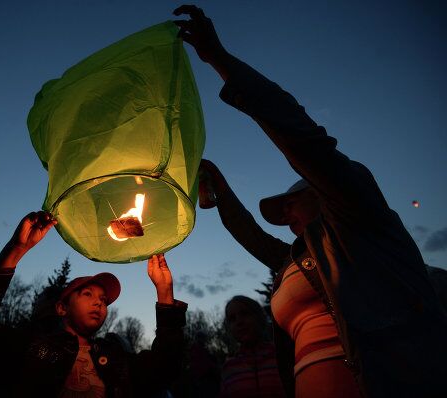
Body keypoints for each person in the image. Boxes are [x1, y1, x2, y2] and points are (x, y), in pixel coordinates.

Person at [173, 4, 447, 398]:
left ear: (323, 193)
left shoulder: (359, 220)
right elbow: (251, 234)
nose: (285, 216)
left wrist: (219, 59)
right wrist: (217, 181)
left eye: (291, 204)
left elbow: (301, 137)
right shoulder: (300, 258)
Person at [0, 211, 187, 397]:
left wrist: (164, 291)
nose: (98, 302)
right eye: (87, 294)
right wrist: (15, 250)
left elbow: (166, 367)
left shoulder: (118, 361)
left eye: (104, 300)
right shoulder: (31, 350)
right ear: (61, 308)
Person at [219, 296, 284, 398]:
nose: (239, 322)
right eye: (232, 319)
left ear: (259, 317)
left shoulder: (283, 356)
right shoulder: (229, 368)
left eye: (244, 313)